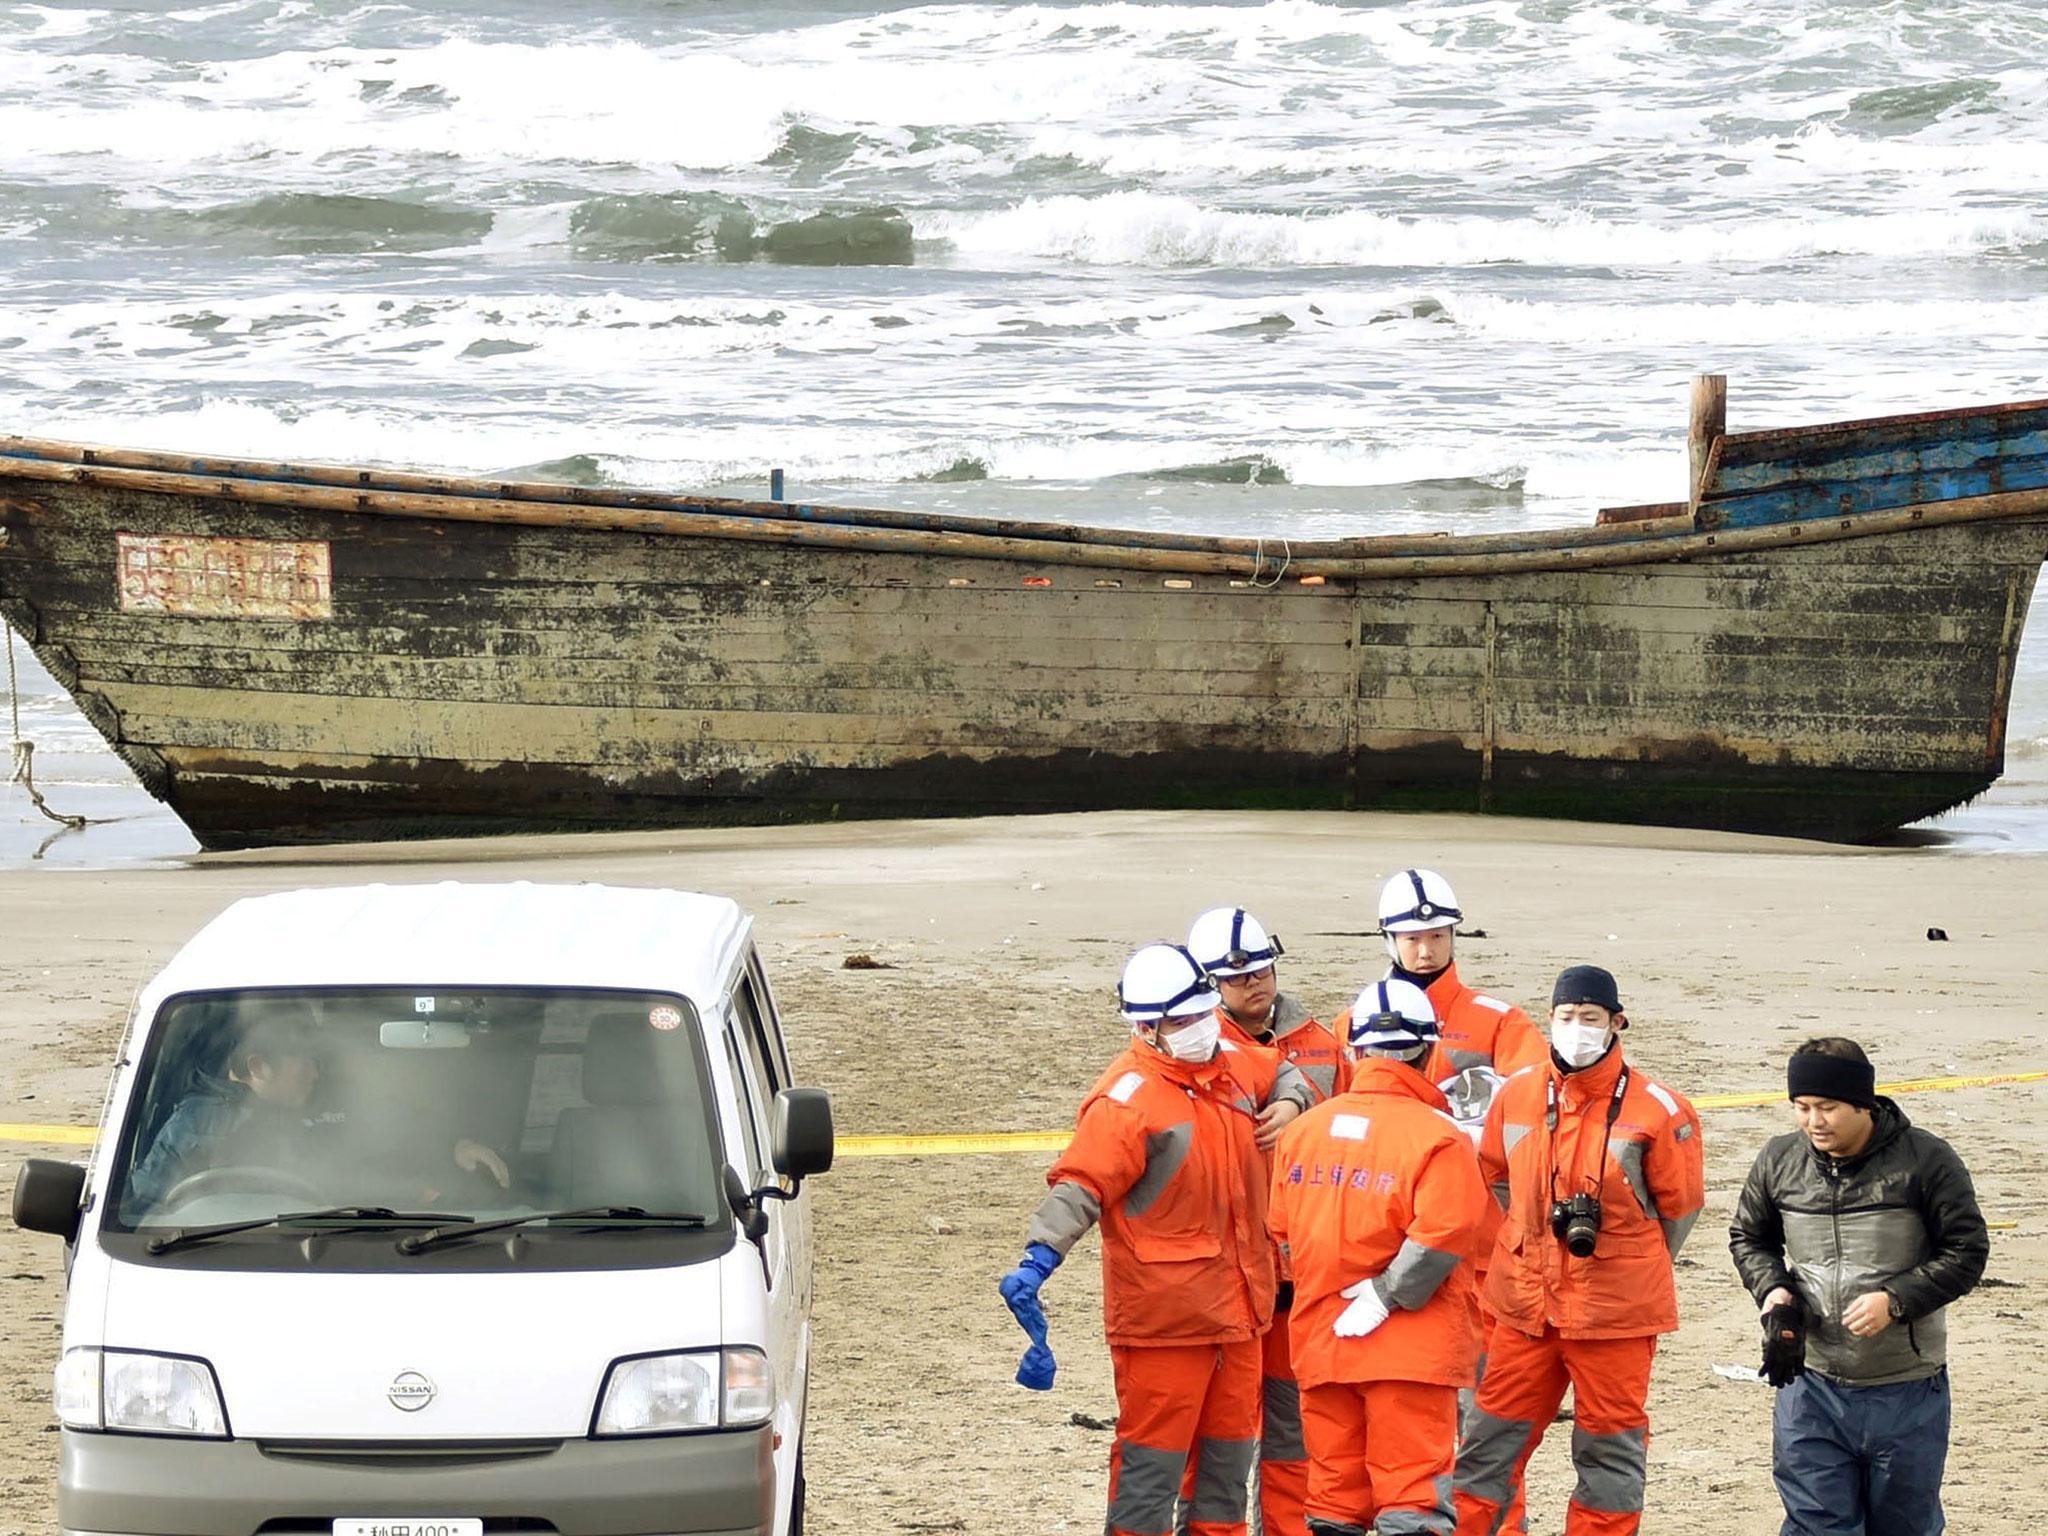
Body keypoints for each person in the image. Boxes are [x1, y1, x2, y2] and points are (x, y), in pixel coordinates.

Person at [999, 942, 1313, 1536]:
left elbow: (1285, 1069)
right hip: (1165, 1326)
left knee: (1226, 1469)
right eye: (1181, 1021)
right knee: (1152, 1469)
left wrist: (1293, 1102)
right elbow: (1080, 1185)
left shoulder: (1235, 1063)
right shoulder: (1126, 1102)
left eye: (1200, 1014)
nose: (1197, 1028)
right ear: (1146, 1028)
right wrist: (1037, 1259)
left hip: (1240, 1317)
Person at [1451, 965, 1704, 1536]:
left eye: (1590, 1019)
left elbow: (1680, 1211)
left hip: (1614, 1317)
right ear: (1550, 1020)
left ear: (1617, 1023)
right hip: (1523, 1309)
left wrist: (1624, 1262)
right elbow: (1495, 1178)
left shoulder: (1661, 1110)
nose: (1577, 1029)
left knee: (1608, 1455)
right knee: (1487, 1446)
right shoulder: (1515, 1094)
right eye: (1566, 1017)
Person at [1336, 869, 1550, 1532]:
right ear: (1389, 939)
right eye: (1412, 936)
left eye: (1437, 934)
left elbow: (1532, 1106)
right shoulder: (1355, 1018)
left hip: (1477, 1252)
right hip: (1379, 1249)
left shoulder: (1497, 1021)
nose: (1425, 948)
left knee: (1484, 1425)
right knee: (1385, 1420)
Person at [1729, 1038, 1988, 1536]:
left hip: (1907, 1386)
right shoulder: (1779, 1160)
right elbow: (1749, 1237)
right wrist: (1775, 1294)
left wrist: (1897, 1301)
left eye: (1827, 1107)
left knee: (1904, 1525)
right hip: (1810, 1385)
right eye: (1802, 1108)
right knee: (1816, 1524)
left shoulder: (1927, 1160)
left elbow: (1967, 1251)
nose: (1813, 1122)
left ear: (1863, 1103)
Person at [1268, 979, 1491, 1536]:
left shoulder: (1303, 1133)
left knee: (1334, 1499)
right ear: (1429, 1050)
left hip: (1323, 1343)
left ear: (1355, 1050)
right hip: (1412, 1350)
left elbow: (1283, 1233)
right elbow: (1447, 1231)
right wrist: (1387, 1294)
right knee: (1413, 1497)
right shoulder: (1439, 1136)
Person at [1187, 904, 1345, 1536]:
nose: (1254, 983)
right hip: (1224, 1277)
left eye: (1261, 970)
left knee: (1292, 1433)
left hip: (1297, 1272)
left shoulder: (1322, 1044)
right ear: (1207, 984)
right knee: (1217, 1440)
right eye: (1236, 977)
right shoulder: (1190, 1047)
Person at [126, 1001, 509, 1213]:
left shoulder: (324, 1102)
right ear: (259, 1067)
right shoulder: (194, 1123)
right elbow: (145, 1203)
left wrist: (452, 1146)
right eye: (304, 1062)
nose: (315, 1073)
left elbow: (388, 1125)